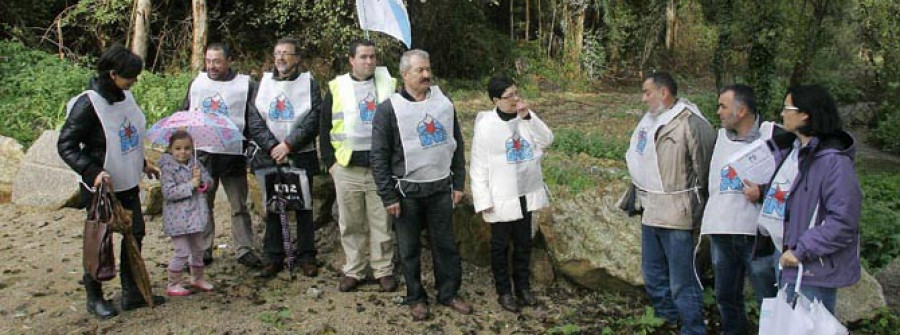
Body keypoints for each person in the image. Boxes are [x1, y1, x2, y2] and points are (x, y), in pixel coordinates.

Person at [57, 44, 165, 318]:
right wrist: (92, 171)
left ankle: (132, 292)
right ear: (113, 74)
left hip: (128, 181)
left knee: (135, 234)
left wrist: (142, 161)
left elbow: (127, 134)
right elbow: (66, 145)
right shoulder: (88, 104)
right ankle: (95, 298)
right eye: (130, 77)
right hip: (100, 186)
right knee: (99, 242)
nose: (134, 82)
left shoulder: (125, 96)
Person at [371, 49, 471, 321]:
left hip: (440, 188)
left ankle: (449, 292)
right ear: (405, 75)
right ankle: (415, 296)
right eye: (420, 71)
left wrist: (459, 180)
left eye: (428, 69)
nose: (427, 74)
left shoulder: (443, 102)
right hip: (407, 194)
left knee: (446, 245)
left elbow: (457, 143)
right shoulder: (388, 110)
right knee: (409, 249)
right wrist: (387, 196)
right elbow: (378, 156)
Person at [744, 85, 861, 313]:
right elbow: (795, 192)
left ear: (805, 114)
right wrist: (763, 190)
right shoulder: (794, 149)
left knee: (808, 326)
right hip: (784, 254)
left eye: (787, 108)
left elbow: (844, 222)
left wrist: (801, 250)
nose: (782, 113)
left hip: (809, 265)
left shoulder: (834, 162)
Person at [624, 72, 714, 334]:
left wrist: (699, 211)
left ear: (664, 92)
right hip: (650, 209)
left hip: (679, 214)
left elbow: (705, 168)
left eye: (647, 92)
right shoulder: (649, 120)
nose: (643, 98)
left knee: (682, 280)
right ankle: (667, 320)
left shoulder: (691, 123)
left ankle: (693, 328)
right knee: (653, 274)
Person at [181, 43, 281, 269]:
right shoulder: (197, 83)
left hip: (233, 154)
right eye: (208, 61)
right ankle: (202, 249)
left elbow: (255, 116)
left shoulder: (245, 85)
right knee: (202, 204)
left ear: (228, 61)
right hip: (203, 153)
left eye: (216, 61)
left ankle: (244, 248)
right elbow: (186, 110)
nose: (211, 66)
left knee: (239, 205)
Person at [469, 75, 553, 313]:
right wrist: (483, 198)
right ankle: (504, 291)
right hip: (501, 195)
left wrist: (529, 117)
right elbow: (478, 164)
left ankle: (523, 286)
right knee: (500, 246)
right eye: (509, 96)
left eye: (516, 93)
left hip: (525, 190)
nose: (515, 99)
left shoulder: (525, 118)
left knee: (523, 243)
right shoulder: (486, 125)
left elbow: (547, 139)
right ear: (496, 100)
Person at [320, 39, 398, 292]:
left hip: (380, 168)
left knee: (381, 223)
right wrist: (330, 163)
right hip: (347, 167)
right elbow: (324, 128)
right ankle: (354, 270)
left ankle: (383, 270)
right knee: (351, 223)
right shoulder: (337, 87)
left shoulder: (388, 84)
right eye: (363, 57)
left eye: (373, 57)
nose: (369, 61)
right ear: (351, 60)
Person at [700, 84, 778, 334]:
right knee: (726, 297)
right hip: (723, 231)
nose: (718, 111)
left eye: (723, 106)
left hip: (756, 235)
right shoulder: (721, 137)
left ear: (742, 110)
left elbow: (791, 187)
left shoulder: (774, 137)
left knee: (768, 298)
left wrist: (762, 193)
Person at [253, 38, 322, 278]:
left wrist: (289, 145)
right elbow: (254, 119)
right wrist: (273, 146)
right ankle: (273, 255)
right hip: (269, 155)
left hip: (300, 154)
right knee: (273, 205)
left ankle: (306, 255)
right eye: (277, 53)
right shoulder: (262, 83)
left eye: (286, 53)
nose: (281, 58)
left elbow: (314, 118)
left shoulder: (309, 83)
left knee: (303, 206)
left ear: (297, 58)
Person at [158, 130, 215, 296]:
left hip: (195, 215)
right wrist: (190, 184)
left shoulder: (196, 164)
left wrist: (202, 182)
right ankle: (173, 283)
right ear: (170, 149)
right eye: (178, 148)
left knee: (198, 249)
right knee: (182, 251)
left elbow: (209, 183)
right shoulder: (168, 169)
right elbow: (169, 192)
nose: (183, 152)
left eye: (187, 148)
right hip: (177, 219)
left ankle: (197, 278)